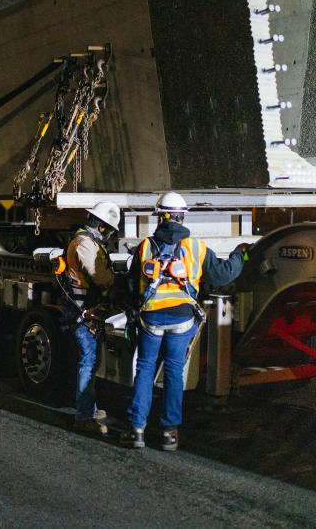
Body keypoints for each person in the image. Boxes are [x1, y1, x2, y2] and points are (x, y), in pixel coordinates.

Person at [120, 192, 248, 450]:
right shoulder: (196, 247)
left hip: (151, 317)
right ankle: (170, 433)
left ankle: (136, 430)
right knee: (173, 373)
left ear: (160, 217)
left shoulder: (145, 246)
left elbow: (131, 286)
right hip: (182, 318)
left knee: (145, 369)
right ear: (182, 216)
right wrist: (239, 255)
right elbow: (223, 275)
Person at [59, 200, 121, 435]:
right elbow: (101, 277)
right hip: (82, 312)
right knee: (88, 362)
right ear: (103, 227)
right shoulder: (85, 243)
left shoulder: (85, 240)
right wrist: (119, 281)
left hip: (85, 311)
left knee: (91, 361)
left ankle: (90, 409)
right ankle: (83, 416)